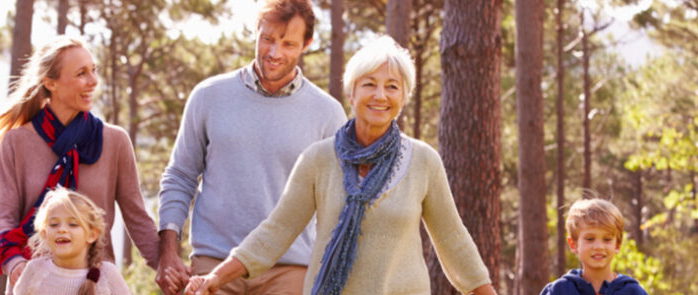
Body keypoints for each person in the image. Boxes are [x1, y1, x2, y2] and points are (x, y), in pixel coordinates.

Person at [185, 36, 497, 295]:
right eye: (369, 84)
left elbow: (453, 240)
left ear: (403, 97)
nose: (380, 95)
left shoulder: (423, 160)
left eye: (392, 86)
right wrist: (218, 276)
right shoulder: (318, 159)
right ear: (351, 92)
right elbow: (277, 230)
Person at [155, 0, 348, 293]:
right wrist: (167, 251)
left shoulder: (328, 113)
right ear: (256, 31)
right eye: (267, 39)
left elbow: (336, 204)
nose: (274, 53)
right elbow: (180, 176)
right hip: (213, 263)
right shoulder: (208, 96)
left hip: (289, 270)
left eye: (288, 44)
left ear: (306, 44)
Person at [0, 36, 167, 293]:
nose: (93, 81)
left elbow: (138, 218)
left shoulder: (114, 141)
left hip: (96, 283)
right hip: (35, 282)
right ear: (50, 83)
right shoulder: (16, 142)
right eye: (82, 73)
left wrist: (166, 267)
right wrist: (14, 263)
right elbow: (4, 218)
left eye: (94, 71)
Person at [13, 189, 131, 295]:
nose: (62, 229)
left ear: (92, 234)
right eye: (54, 224)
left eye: (73, 224)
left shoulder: (107, 275)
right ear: (44, 234)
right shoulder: (35, 270)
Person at [539, 199, 649, 295]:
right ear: (573, 244)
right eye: (590, 239)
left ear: (617, 245)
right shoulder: (559, 291)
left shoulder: (633, 292)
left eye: (607, 239)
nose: (599, 247)